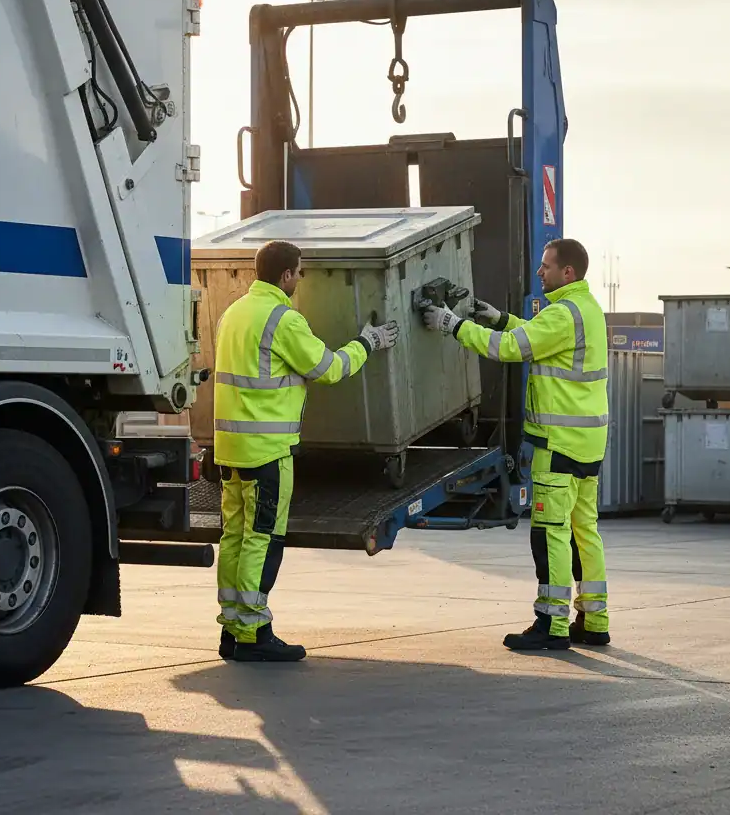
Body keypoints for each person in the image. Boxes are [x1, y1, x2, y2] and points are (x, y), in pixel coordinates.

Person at [213, 239, 400, 662]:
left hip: (230, 450)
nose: (301, 279)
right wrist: (367, 342)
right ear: (286, 276)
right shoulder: (283, 319)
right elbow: (328, 369)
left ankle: (232, 627)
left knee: (235, 538)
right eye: (299, 272)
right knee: (262, 539)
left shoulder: (233, 313)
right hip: (267, 452)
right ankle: (253, 633)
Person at [421, 238, 610, 652]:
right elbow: (534, 337)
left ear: (568, 273)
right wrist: (500, 317)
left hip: (558, 444)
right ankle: (594, 621)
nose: (540, 272)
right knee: (584, 531)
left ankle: (552, 625)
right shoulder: (585, 309)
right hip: (586, 442)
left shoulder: (563, 313)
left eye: (547, 266)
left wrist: (451, 324)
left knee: (550, 533)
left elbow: (510, 350)